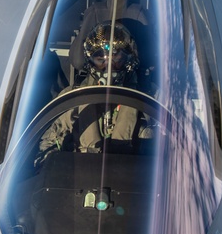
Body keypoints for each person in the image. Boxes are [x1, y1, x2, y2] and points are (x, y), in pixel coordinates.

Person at [37, 22, 153, 160]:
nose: (109, 67)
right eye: (100, 60)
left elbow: (171, 146)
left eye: (116, 58)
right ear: (90, 61)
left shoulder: (149, 98)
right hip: (79, 179)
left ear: (128, 58)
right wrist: (52, 164)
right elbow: (47, 145)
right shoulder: (71, 99)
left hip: (133, 178)